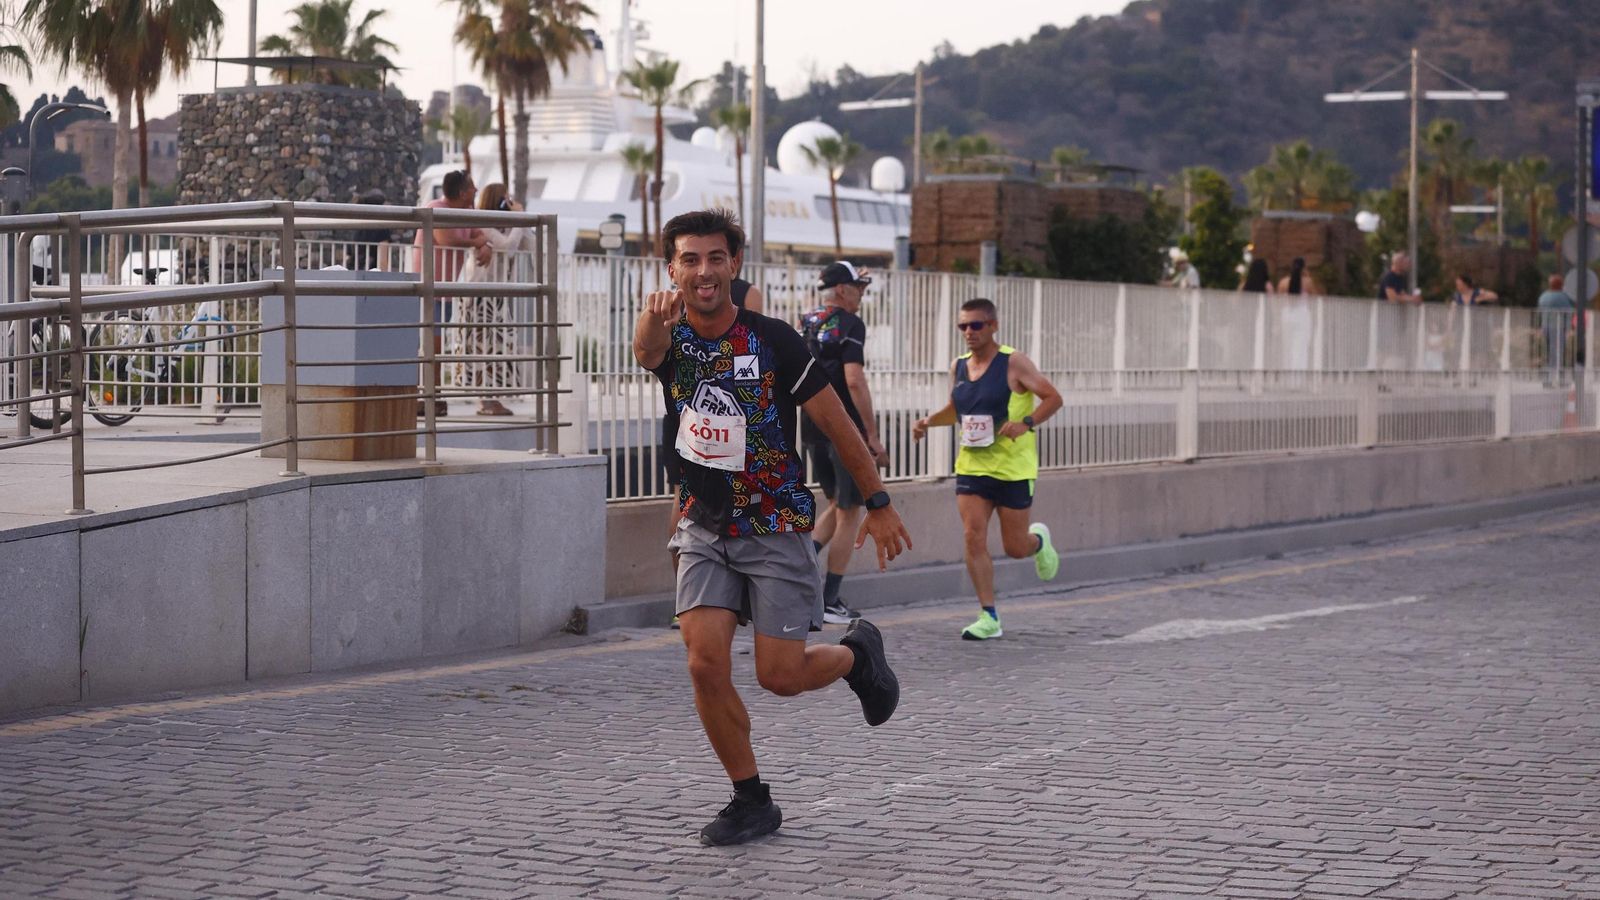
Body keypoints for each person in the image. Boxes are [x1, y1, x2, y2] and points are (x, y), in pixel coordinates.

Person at [634, 209, 911, 846]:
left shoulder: (775, 340)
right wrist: (651, 317)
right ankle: (751, 798)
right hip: (701, 523)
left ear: (734, 265)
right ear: (673, 269)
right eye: (690, 260)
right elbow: (645, 350)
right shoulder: (670, 336)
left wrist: (878, 499)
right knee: (704, 664)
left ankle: (855, 655)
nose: (704, 271)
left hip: (775, 522)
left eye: (715, 258)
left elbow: (837, 423)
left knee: (778, 677)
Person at [911, 298, 1064, 640]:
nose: (969, 332)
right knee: (972, 535)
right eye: (963, 326)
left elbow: (1053, 397)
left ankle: (1038, 542)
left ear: (993, 326)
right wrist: (927, 422)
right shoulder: (960, 366)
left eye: (976, 325)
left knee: (1014, 547)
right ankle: (989, 616)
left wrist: (1026, 422)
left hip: (1012, 469)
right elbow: (956, 409)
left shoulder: (1014, 362)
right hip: (972, 466)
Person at [664, 274, 762, 627]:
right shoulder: (748, 293)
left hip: (701, 413)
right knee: (700, 498)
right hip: (714, 415)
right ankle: (696, 598)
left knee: (686, 497)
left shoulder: (681, 296)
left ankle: (691, 598)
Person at [799, 261, 887, 625]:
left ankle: (797, 570)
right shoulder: (851, 325)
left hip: (812, 425)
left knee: (836, 503)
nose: (862, 294)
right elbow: (854, 380)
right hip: (843, 428)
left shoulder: (806, 321)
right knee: (850, 511)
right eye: (858, 288)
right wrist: (872, 434)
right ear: (841, 290)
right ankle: (829, 599)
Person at [412, 170, 493, 417]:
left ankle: (431, 396)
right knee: (430, 346)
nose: (476, 190)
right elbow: (444, 238)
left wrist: (484, 243)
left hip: (444, 291)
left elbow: (481, 234)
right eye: (471, 187)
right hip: (427, 289)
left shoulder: (466, 213)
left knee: (434, 345)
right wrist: (477, 243)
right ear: (461, 192)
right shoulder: (435, 207)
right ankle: (426, 395)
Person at [454, 182, 533, 416]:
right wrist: (518, 218)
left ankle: (492, 397)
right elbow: (507, 248)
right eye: (504, 198)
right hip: (479, 295)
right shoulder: (483, 224)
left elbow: (532, 245)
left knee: (500, 346)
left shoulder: (506, 227)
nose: (508, 202)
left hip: (496, 296)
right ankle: (485, 400)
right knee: (482, 348)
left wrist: (521, 221)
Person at [1537, 274, 1577, 381]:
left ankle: (1547, 376)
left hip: (1546, 327)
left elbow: (1540, 311)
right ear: (1560, 285)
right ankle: (1556, 376)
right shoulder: (1563, 297)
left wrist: (1540, 327)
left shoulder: (1543, 296)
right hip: (1559, 327)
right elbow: (1568, 312)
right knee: (1558, 351)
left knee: (1548, 351)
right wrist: (1569, 329)